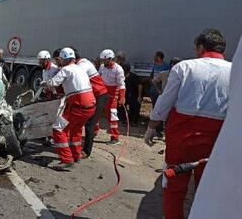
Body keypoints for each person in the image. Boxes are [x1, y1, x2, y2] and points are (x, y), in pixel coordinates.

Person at [144, 29, 231, 219]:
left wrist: (152, 127)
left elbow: (165, 101)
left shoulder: (185, 67)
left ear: (200, 47)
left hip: (181, 137)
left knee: (174, 187)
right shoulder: (234, 71)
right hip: (216, 140)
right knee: (207, 189)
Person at [42, 47, 96, 171]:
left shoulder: (66, 69)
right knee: (76, 129)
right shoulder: (79, 68)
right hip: (90, 106)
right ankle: (76, 155)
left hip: (79, 106)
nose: (58, 62)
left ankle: (66, 159)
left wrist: (45, 84)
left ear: (63, 59)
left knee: (58, 129)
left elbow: (53, 83)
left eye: (59, 59)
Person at [72, 48, 108, 158]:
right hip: (93, 95)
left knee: (89, 124)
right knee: (87, 121)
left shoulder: (83, 64)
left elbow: (75, 76)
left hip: (99, 96)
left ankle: (86, 151)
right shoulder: (79, 64)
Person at [99, 49, 126, 145]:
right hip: (102, 93)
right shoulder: (102, 67)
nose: (103, 62)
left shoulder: (118, 69)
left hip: (113, 95)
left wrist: (122, 97)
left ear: (110, 59)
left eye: (104, 60)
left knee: (112, 116)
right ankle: (93, 133)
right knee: (96, 113)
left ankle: (115, 137)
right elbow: (99, 78)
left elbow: (121, 85)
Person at [149, 51, 169, 137]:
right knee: (155, 109)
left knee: (160, 110)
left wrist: (159, 89)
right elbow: (152, 77)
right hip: (154, 91)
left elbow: (164, 80)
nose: (154, 57)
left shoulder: (165, 67)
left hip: (160, 92)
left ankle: (160, 130)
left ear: (160, 57)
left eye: (155, 56)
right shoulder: (155, 66)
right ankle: (155, 129)